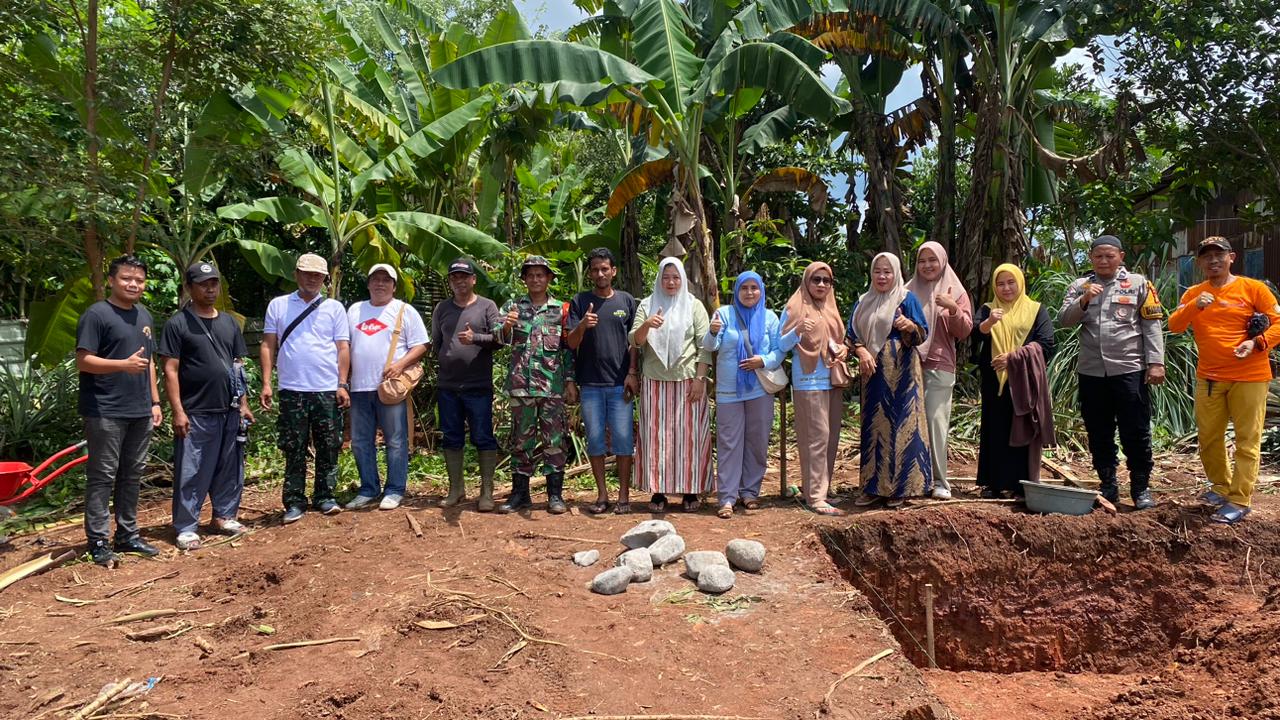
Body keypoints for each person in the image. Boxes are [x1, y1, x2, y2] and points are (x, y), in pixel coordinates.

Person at [1169, 236, 1280, 524]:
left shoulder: (1253, 289)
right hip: (1210, 377)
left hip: (1250, 376)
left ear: (1232, 257)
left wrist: (1256, 343)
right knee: (1209, 437)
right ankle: (1220, 487)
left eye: (1219, 255)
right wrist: (1195, 306)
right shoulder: (1194, 293)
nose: (1213, 260)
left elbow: (1278, 323)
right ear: (1200, 262)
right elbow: (1175, 325)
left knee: (1247, 440)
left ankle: (1240, 499)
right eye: (1207, 256)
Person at [1058, 235, 1166, 510]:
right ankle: (1108, 484)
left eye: (1110, 256)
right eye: (1098, 256)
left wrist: (1156, 362)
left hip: (1129, 369)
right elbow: (1064, 320)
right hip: (1092, 372)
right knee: (1098, 431)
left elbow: (1151, 324)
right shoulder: (1080, 286)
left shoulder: (1139, 284)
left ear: (1121, 256)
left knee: (1136, 430)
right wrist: (1084, 299)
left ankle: (1140, 488)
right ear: (1091, 258)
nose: (1104, 261)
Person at [76, 255, 164, 566]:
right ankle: (98, 541)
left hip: (140, 410)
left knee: (132, 474)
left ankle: (127, 534)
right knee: (102, 476)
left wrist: (155, 401)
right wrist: (121, 365)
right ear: (112, 280)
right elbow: (83, 360)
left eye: (139, 280)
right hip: (105, 409)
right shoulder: (97, 315)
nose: (133, 284)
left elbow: (148, 362)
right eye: (127, 278)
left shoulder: (144, 315)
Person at [159, 262, 253, 551]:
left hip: (229, 409)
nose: (210, 289)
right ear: (189, 288)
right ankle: (186, 526)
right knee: (192, 470)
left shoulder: (229, 323)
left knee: (229, 467)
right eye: (203, 284)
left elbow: (238, 366)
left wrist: (244, 404)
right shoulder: (178, 324)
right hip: (196, 410)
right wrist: (178, 410)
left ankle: (224, 516)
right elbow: (170, 369)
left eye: (214, 283)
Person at [260, 253, 351, 524]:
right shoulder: (278, 305)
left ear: (325, 279)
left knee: (329, 445)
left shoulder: (334, 308)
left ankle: (325, 496)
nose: (312, 279)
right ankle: (294, 501)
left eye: (318, 275)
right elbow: (268, 344)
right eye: (307, 273)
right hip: (292, 388)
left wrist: (342, 384)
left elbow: (342, 347)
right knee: (293, 446)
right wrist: (266, 383)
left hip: (326, 389)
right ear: (296, 274)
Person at [848, 252, 932, 509]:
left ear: (896, 274)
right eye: (877, 271)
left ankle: (902, 488)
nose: (882, 276)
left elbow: (922, 333)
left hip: (903, 371)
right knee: (874, 427)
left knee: (903, 424)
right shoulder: (863, 301)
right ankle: (873, 487)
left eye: (887, 272)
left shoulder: (907, 299)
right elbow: (851, 334)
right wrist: (861, 350)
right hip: (873, 373)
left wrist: (909, 326)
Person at [629, 258, 713, 513]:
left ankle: (690, 490)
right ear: (659, 279)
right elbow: (635, 340)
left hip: (688, 381)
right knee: (656, 439)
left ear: (682, 280)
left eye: (675, 277)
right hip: (654, 380)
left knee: (689, 438)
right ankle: (658, 491)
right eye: (666, 277)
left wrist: (700, 379)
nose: (671, 282)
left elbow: (705, 345)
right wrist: (647, 324)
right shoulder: (648, 304)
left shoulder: (694, 305)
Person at [344, 264, 428, 511]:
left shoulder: (404, 310)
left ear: (393, 286)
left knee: (396, 440)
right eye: (375, 279)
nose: (380, 284)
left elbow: (422, 345)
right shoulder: (355, 310)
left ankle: (394, 489)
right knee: (360, 441)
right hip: (359, 387)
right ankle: (368, 488)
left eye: (386, 280)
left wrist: (400, 365)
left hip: (390, 388)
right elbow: (344, 345)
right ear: (368, 283)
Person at [495, 256, 576, 513]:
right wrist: (506, 326)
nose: (535, 279)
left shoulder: (561, 310)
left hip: (552, 387)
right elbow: (497, 338)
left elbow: (568, 349)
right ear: (524, 279)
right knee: (521, 441)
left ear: (549, 278)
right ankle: (520, 494)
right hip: (521, 385)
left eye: (540, 275)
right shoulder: (513, 307)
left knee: (554, 440)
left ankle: (555, 495)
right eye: (530, 275)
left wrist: (570, 381)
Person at [703, 271, 784, 519]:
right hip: (729, 391)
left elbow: (779, 350)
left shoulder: (770, 318)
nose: (749, 292)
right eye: (744, 288)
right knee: (729, 443)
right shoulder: (724, 314)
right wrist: (712, 331)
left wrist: (763, 360)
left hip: (759, 390)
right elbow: (709, 346)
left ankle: (749, 492)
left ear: (761, 291)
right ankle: (727, 497)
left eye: (754, 288)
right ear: (737, 291)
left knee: (757, 442)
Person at [972, 264, 1056, 498]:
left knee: (1023, 428)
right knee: (995, 428)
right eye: (1000, 284)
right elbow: (975, 334)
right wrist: (989, 322)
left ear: (1020, 283)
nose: (1006, 288)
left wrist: (1013, 358)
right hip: (994, 381)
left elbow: (1047, 343)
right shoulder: (988, 309)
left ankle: (1022, 485)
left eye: (1011, 282)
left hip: (1024, 381)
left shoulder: (1036, 310)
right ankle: (994, 483)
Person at [566, 248, 639, 514]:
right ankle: (602, 495)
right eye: (595, 269)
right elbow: (570, 342)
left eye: (604, 269)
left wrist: (633, 372)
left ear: (613, 271)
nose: (600, 273)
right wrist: (583, 325)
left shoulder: (626, 301)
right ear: (590, 273)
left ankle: (624, 496)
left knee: (623, 441)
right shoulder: (580, 301)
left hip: (620, 383)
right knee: (595, 440)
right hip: (591, 385)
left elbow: (635, 342)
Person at [431, 257, 502, 511]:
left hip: (478, 386)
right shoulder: (442, 308)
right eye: (454, 277)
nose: (459, 281)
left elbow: (500, 339)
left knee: (483, 436)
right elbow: (437, 343)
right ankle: (456, 489)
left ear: (473, 279)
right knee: (451, 437)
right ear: (450, 281)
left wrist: (476, 338)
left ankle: (486, 492)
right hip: (448, 386)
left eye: (464, 277)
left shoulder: (487, 306)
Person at [779, 262, 849, 516]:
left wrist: (844, 349)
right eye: (816, 279)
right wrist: (797, 331)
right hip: (808, 381)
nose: (821, 284)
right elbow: (780, 344)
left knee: (830, 438)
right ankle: (815, 497)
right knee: (816, 437)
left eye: (826, 280)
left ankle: (822, 490)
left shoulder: (830, 308)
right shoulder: (795, 307)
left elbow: (839, 341)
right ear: (806, 282)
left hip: (832, 379)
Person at [906, 241, 973, 500]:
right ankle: (911, 480)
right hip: (908, 365)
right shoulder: (906, 291)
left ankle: (938, 481)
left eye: (932, 260)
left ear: (942, 261)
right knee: (908, 423)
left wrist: (952, 308)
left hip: (939, 365)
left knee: (935, 423)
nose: (927, 265)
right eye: (922, 261)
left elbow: (965, 331)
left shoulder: (955, 290)